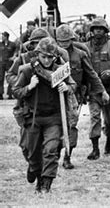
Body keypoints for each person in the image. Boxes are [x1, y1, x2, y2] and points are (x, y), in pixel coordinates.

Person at [13, 37, 77, 193]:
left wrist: (66, 87)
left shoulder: (60, 70)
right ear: (37, 55)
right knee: (32, 152)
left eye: (50, 57)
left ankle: (46, 184)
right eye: (44, 56)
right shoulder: (28, 70)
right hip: (33, 117)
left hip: (53, 117)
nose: (47, 60)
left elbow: (73, 85)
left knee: (51, 150)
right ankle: (35, 170)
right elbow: (15, 91)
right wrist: (30, 86)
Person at [55, 24, 108, 168]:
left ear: (72, 39)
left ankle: (67, 156)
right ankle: (52, 154)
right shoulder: (53, 54)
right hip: (53, 96)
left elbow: (91, 74)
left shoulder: (80, 54)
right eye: (61, 42)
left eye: (67, 41)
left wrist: (102, 91)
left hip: (74, 94)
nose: (64, 44)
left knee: (71, 124)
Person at [85, 17, 110, 159]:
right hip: (94, 89)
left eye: (101, 29)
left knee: (109, 120)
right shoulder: (86, 47)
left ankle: (109, 141)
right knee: (95, 117)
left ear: (105, 30)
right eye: (95, 29)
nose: (98, 32)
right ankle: (95, 149)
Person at [1, 32, 16, 99]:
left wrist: (14, 56)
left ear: (6, 37)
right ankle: (0, 94)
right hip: (1, 64)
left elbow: (16, 51)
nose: (1, 37)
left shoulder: (12, 44)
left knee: (10, 78)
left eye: (3, 36)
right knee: (0, 78)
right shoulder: (0, 44)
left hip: (9, 64)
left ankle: (10, 94)